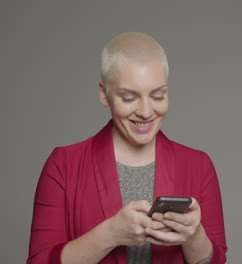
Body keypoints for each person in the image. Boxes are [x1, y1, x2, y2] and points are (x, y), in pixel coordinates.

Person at [27, 32, 227, 264]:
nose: (145, 111)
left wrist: (194, 237)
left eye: (158, 96)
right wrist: (110, 234)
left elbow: (216, 260)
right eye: (129, 98)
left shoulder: (198, 165)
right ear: (104, 94)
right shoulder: (63, 165)